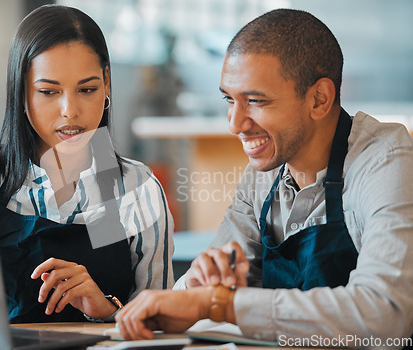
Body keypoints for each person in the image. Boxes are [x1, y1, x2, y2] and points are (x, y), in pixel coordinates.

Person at [116, 8, 413, 347]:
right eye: (229, 99)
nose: (235, 123)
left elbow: (385, 314)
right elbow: (201, 294)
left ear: (319, 99)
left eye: (255, 101)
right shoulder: (264, 176)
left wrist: (220, 304)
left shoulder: (385, 161)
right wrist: (201, 283)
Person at [0, 5, 174, 324]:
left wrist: (108, 309)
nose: (70, 110)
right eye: (48, 91)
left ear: (107, 83)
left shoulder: (135, 190)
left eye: (87, 89)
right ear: (21, 93)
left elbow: (162, 325)